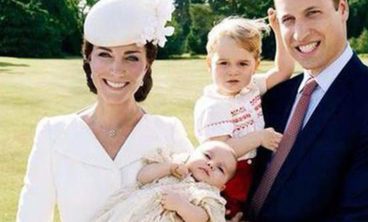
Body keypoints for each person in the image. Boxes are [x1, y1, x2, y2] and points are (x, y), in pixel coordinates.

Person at [17, 0, 194, 221]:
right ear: (88, 59)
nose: (116, 70)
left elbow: (199, 200)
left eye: (131, 57)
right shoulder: (53, 134)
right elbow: (31, 215)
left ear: (147, 65)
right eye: (104, 54)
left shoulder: (169, 132)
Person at [244, 0, 368, 221]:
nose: (299, 34)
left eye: (313, 13)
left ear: (343, 9)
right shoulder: (274, 96)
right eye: (288, 19)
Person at [194, 11, 294, 218]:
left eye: (243, 63)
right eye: (223, 63)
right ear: (209, 64)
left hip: (252, 169)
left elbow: (284, 71)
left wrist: (278, 31)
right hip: (226, 176)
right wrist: (259, 138)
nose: (233, 71)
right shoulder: (213, 105)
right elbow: (221, 150)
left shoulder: (252, 87)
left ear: (255, 65)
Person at [94, 141, 237, 222]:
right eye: (207, 156)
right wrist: (169, 168)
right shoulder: (173, 162)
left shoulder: (208, 195)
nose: (211, 164)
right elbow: (143, 177)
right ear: (192, 153)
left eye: (220, 168)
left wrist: (182, 206)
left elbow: (202, 218)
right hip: (132, 212)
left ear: (221, 186)